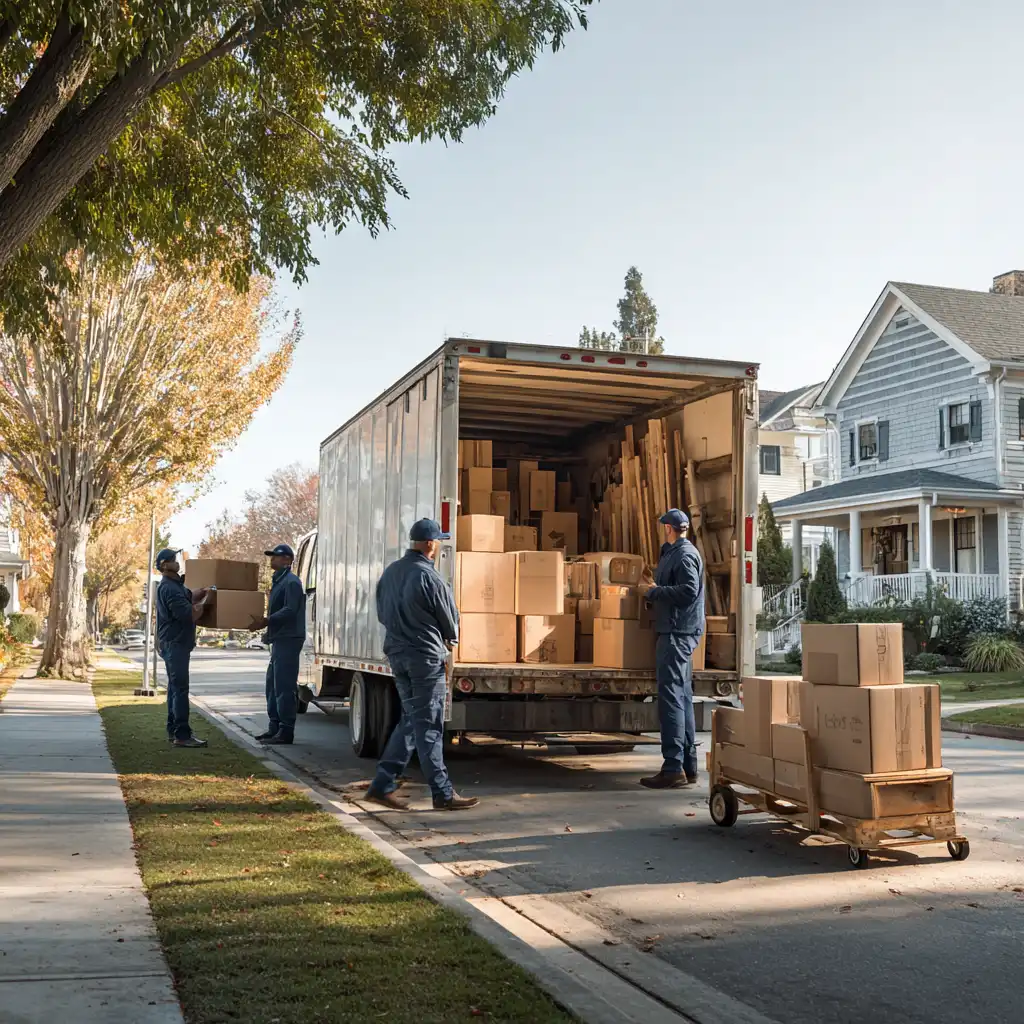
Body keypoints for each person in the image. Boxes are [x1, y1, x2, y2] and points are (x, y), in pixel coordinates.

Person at [365, 518, 478, 812]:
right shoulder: (431, 576)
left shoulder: (390, 573)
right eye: (438, 540)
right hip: (424, 657)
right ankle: (441, 793)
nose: (438, 544)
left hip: (398, 654)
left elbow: (382, 613)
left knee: (413, 720)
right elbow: (449, 619)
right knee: (428, 725)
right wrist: (451, 639)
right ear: (430, 544)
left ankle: (382, 784)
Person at [636, 508, 705, 789]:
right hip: (676, 629)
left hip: (677, 632)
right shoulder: (674, 551)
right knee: (682, 697)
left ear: (668, 528)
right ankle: (688, 767)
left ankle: (673, 767)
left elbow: (689, 591)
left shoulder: (685, 555)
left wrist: (652, 592)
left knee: (672, 699)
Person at [250, 543, 306, 746]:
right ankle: (274, 727)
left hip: (290, 639)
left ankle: (286, 731)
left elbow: (290, 610)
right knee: (272, 685)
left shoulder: (291, 583)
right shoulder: (279, 582)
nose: (272, 559)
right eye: (272, 556)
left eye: (276, 556)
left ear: (288, 560)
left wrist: (267, 621)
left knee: (284, 685)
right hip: (280, 637)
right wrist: (268, 631)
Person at [155, 548, 212, 748]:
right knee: (180, 689)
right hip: (175, 643)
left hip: (174, 642)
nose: (176, 561)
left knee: (174, 688)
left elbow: (190, 596)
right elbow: (188, 614)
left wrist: (202, 592)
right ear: (164, 565)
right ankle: (182, 734)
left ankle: (174, 730)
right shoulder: (170, 588)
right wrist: (207, 604)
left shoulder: (175, 586)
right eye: (172, 560)